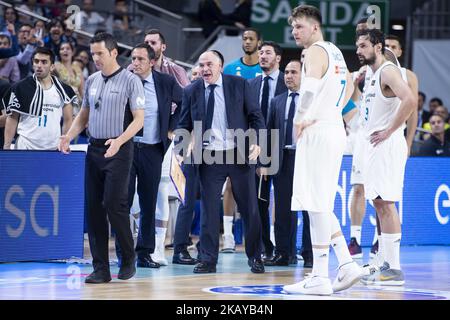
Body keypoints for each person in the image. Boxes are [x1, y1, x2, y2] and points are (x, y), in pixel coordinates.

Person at [283, 5, 362, 296]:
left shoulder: (315, 51)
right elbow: (351, 84)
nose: (295, 32)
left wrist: (301, 117)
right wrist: (332, 111)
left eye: (299, 27)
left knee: (315, 203)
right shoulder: (336, 52)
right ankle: (340, 266)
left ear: (314, 27)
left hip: (316, 130)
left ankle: (325, 273)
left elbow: (309, 88)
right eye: (293, 27)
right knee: (319, 203)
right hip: (332, 127)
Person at [58, 32, 145, 284]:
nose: (95, 58)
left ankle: (128, 258)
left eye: (100, 54)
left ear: (113, 52)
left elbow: (139, 119)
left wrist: (119, 141)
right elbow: (83, 114)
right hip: (94, 149)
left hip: (119, 148)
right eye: (93, 54)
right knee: (94, 209)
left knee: (114, 204)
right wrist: (68, 136)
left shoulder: (131, 81)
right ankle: (101, 269)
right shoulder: (93, 80)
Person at [176, 50, 266, 274]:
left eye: (209, 65)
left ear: (220, 66)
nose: (205, 69)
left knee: (249, 208)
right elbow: (183, 124)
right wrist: (182, 146)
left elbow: (256, 116)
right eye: (201, 64)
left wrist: (258, 142)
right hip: (209, 156)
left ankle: (256, 256)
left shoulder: (239, 85)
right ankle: (208, 259)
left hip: (238, 153)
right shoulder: (191, 90)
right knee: (209, 209)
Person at [354, 29, 416, 286]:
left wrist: (391, 129)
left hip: (387, 144)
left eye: (363, 45)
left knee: (386, 204)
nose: (358, 50)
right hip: (374, 145)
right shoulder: (370, 73)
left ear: (378, 46)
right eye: (357, 46)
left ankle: (394, 269)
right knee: (379, 203)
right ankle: (384, 263)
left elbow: (410, 100)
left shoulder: (388, 71)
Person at [120, 43, 182, 269]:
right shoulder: (124, 79)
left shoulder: (165, 82)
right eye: (133, 59)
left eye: (140, 59)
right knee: (123, 202)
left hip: (153, 149)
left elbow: (183, 103)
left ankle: (144, 253)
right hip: (126, 149)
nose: (135, 63)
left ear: (152, 62)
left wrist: (171, 128)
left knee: (148, 204)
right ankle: (123, 253)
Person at [265, 60, 311, 267]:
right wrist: (265, 162)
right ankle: (284, 253)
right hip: (282, 160)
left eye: (294, 72)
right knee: (283, 209)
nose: (289, 76)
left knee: (309, 208)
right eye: (287, 72)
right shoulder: (277, 101)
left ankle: (310, 254)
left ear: (304, 75)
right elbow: (270, 134)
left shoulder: (312, 101)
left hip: (306, 159)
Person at [221, 27, 263, 253]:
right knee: (230, 185)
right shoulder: (230, 68)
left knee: (258, 187)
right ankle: (227, 236)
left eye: (251, 39)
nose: (247, 42)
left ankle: (258, 238)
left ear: (259, 42)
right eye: (244, 39)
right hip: (234, 134)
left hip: (258, 131)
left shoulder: (263, 68)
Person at [245, 41, 287, 260]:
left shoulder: (287, 80)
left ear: (277, 58)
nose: (262, 56)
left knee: (282, 201)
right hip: (256, 147)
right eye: (260, 53)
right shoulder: (251, 84)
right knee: (258, 200)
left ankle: (283, 250)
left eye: (267, 53)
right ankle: (264, 246)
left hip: (281, 147)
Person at [3, 47, 76, 150]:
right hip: (25, 146)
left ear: (52, 66)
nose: (39, 66)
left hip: (53, 147)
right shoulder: (19, 87)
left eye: (44, 62)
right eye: (36, 61)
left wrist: (64, 142)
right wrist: (6, 146)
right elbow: (12, 118)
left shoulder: (64, 90)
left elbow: (68, 120)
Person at [54, 42, 84, 115]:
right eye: (62, 49)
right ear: (59, 52)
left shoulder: (78, 69)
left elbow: (82, 91)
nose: (65, 50)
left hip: (77, 105)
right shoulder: (56, 66)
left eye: (68, 48)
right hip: (62, 103)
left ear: (72, 52)